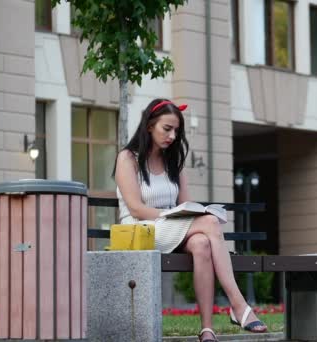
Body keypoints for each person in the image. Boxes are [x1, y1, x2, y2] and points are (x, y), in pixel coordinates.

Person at [113, 99, 267, 342]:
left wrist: (185, 215)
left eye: (176, 131)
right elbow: (136, 208)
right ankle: (238, 304)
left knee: (202, 243)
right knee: (211, 223)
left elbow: (186, 205)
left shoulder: (173, 162)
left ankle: (207, 329)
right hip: (140, 230)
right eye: (167, 129)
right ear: (150, 125)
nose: (173, 136)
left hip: (168, 229)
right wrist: (172, 215)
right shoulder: (128, 158)